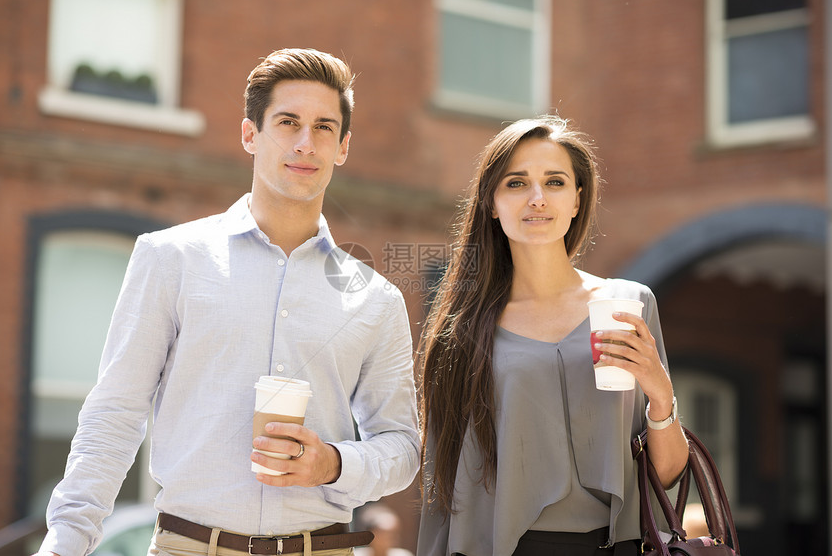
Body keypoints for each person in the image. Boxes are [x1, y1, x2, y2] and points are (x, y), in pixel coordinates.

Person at [36, 48, 420, 556]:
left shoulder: (376, 299)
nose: (306, 143)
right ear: (249, 134)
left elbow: (402, 446)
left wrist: (333, 464)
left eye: (324, 128)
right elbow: (116, 413)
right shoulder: (170, 258)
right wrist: (66, 541)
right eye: (288, 122)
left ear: (343, 146)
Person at [416, 116, 689, 556]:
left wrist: (660, 393)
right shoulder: (462, 329)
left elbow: (667, 475)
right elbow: (442, 489)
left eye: (555, 182)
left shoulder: (628, 305)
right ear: (491, 202)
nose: (538, 199)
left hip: (619, 545)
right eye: (517, 183)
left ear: (578, 200)